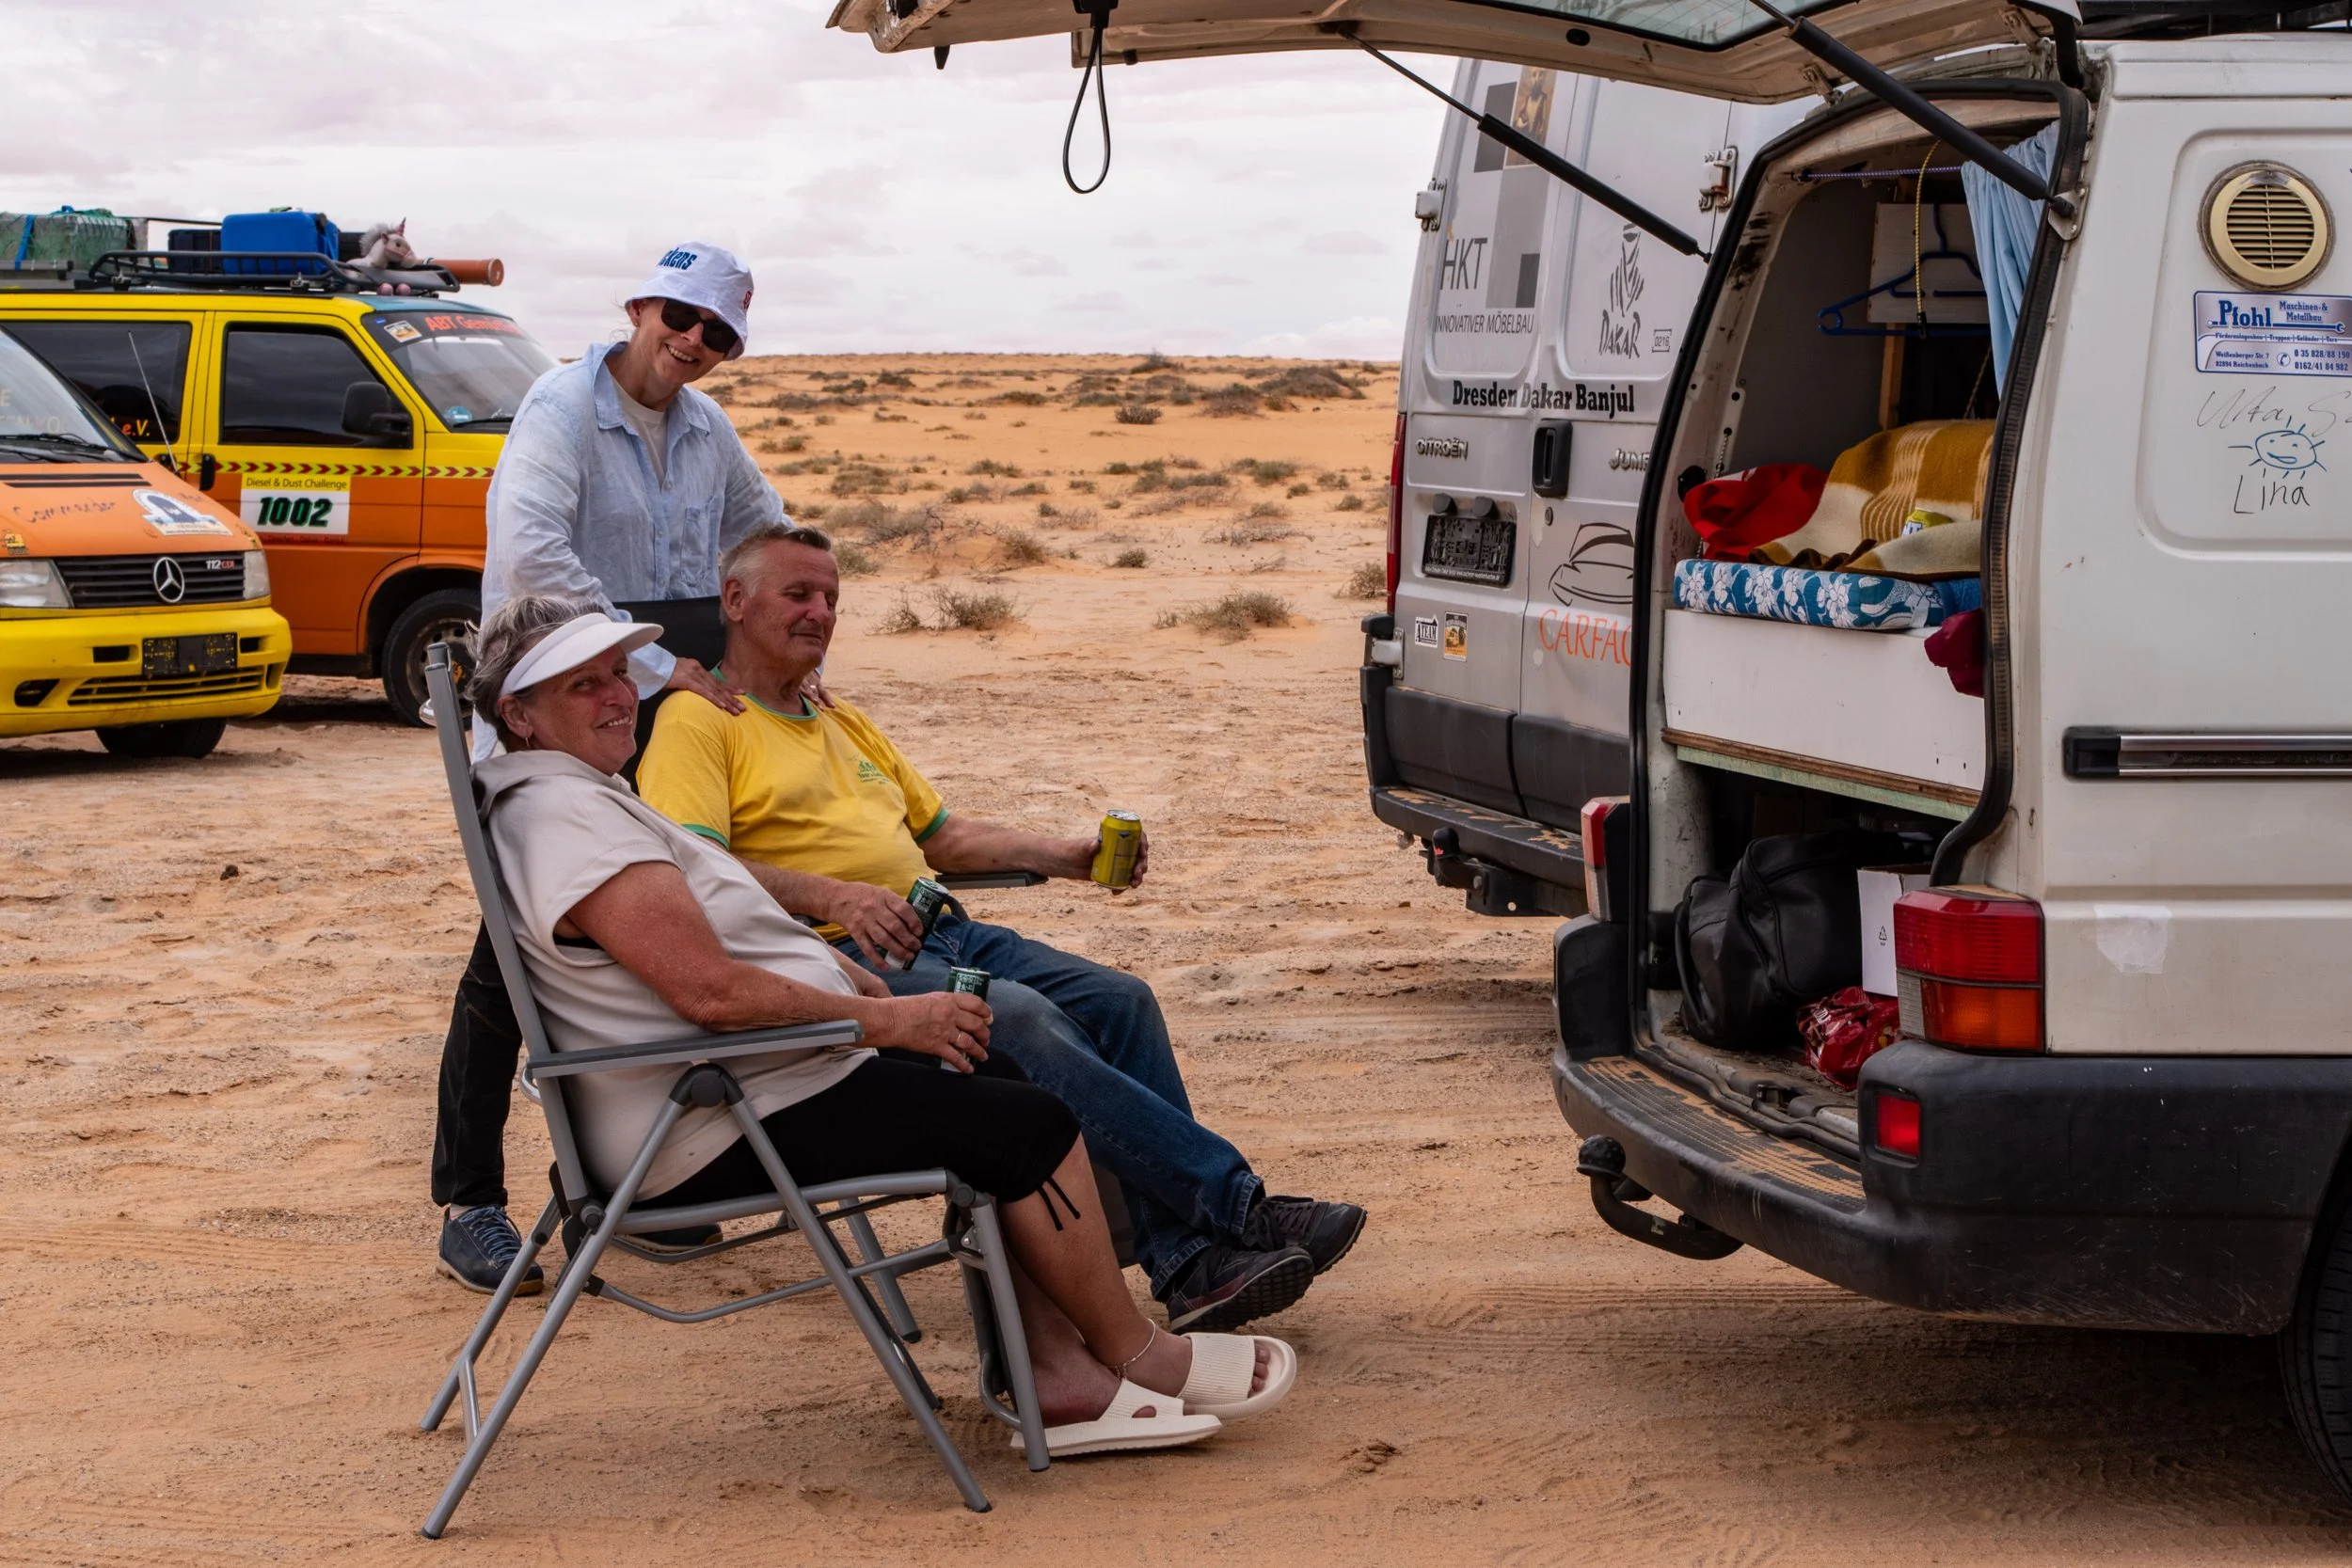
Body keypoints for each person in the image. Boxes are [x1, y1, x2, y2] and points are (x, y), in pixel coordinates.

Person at [460, 594, 1295, 1455]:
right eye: (583, 685)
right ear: (518, 715)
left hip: (735, 1083)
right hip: (708, 1117)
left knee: (998, 1076)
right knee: (1029, 1124)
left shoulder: (569, 797)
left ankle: (1057, 1372)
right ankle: (1135, 1350)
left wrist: (848, 978)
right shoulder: (571, 821)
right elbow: (710, 993)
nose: (617, 695)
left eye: (616, 673)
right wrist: (884, 1018)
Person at [635, 523, 1368, 1334]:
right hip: (843, 961)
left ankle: (1191, 1264)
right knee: (1020, 1017)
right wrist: (833, 897)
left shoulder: (841, 719)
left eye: (833, 598)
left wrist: (1068, 856)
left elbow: (943, 837)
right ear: (735, 601)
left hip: (944, 931)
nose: (821, 613)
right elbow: (693, 867)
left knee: (1120, 999)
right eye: (799, 594)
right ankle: (1238, 1210)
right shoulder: (699, 722)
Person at [435, 239, 791, 1295]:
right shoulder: (558, 408)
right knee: (512, 959)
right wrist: (653, 662)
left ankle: (633, 1188)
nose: (692, 341)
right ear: (639, 306)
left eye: (716, 332)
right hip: (545, 720)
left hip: (648, 726)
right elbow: (533, 555)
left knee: (650, 945)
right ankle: (471, 1203)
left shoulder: (706, 428)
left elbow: (764, 532)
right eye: (679, 316)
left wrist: (784, 635)